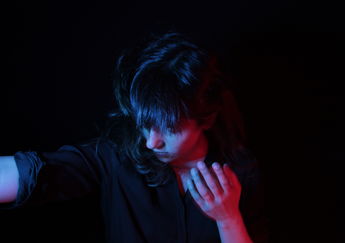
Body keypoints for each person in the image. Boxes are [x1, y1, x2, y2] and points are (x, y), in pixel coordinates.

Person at [0, 32, 269, 242]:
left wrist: (227, 218)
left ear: (205, 119)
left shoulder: (241, 170)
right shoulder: (118, 156)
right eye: (145, 124)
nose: (152, 142)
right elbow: (36, 172)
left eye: (169, 128)